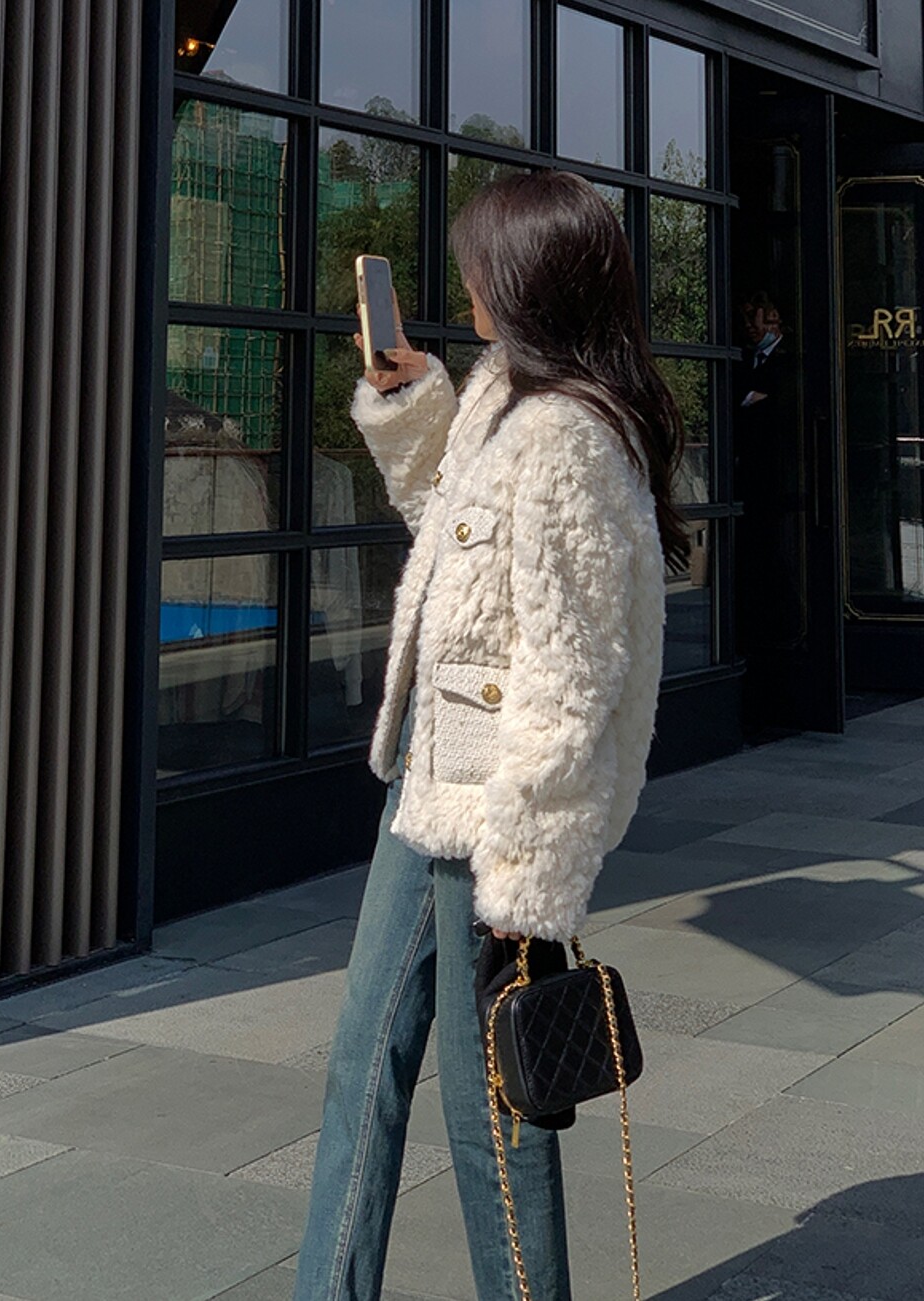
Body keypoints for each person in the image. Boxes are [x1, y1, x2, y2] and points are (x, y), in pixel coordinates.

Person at [292, 171, 685, 1301]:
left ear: (523, 279)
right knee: (361, 1065)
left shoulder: (570, 437)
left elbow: (574, 670)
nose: (463, 281)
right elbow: (454, 541)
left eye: (477, 263)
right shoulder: (502, 392)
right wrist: (416, 400)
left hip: (495, 817)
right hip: (427, 782)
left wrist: (529, 870)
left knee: (494, 1111)